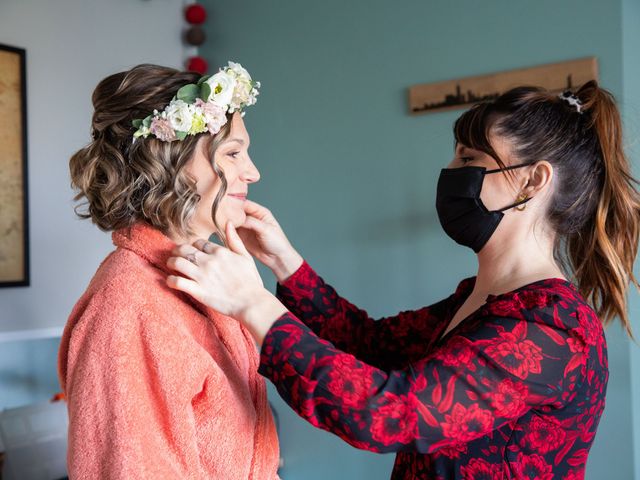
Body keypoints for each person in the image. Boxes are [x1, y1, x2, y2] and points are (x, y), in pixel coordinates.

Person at [167, 80, 640, 479]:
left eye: (469, 160)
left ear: (533, 181)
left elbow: (386, 413)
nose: (450, 175)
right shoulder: (482, 300)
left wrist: (254, 305)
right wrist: (286, 264)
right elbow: (368, 343)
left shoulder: (553, 330)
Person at [58, 62, 281, 479]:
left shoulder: (208, 280)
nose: (253, 172)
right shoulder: (126, 309)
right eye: (233, 153)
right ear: (171, 162)